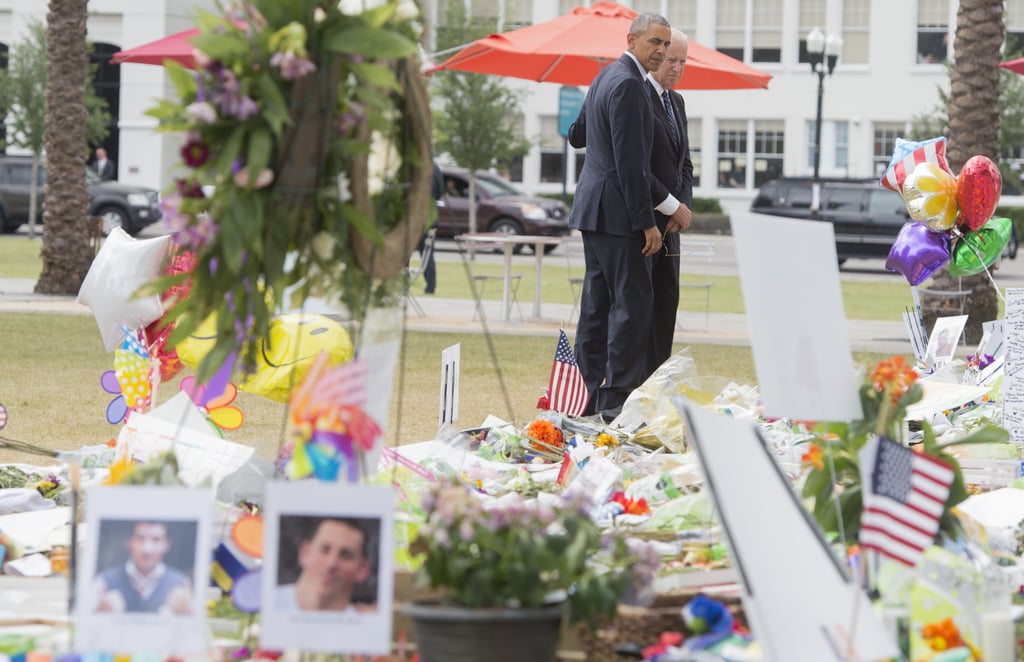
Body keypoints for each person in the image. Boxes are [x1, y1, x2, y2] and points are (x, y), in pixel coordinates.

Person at [566, 13, 671, 419]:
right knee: (631, 307)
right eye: (654, 42)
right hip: (618, 216)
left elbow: (576, 135)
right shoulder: (628, 83)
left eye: (665, 43)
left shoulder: (605, 76)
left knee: (596, 307)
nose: (661, 50)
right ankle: (617, 403)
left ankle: (585, 395)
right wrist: (647, 222)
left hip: (594, 211)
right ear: (631, 39)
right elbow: (631, 164)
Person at [645, 28, 694, 374]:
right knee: (639, 309)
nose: (676, 67)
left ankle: (658, 381)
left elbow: (685, 164)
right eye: (671, 59)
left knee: (667, 303)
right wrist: (668, 206)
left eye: (682, 61)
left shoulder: (676, 102)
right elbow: (636, 166)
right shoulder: (637, 96)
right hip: (643, 222)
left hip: (672, 226)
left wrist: (683, 208)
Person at [273, 517, 376, 613]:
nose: (331, 563)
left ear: (363, 569)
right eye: (324, 550)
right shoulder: (266, 604)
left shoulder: (369, 622)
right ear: (305, 553)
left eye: (346, 555)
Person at [93, 520, 193, 615]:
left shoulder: (181, 583)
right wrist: (99, 612)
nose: (147, 549)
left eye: (156, 539)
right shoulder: (103, 582)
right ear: (129, 542)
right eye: (140, 539)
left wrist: (187, 613)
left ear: (167, 544)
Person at [417, 161, 443, 294]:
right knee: (427, 254)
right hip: (429, 218)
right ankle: (430, 287)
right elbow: (440, 193)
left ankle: (403, 284)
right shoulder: (435, 167)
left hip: (411, 218)